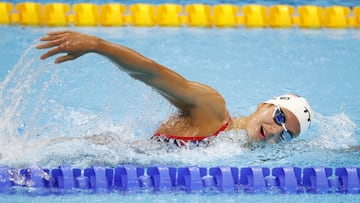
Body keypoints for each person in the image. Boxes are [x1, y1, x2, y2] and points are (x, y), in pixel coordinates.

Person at [36, 30, 313, 147]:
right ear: (264, 106)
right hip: (94, 155)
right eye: (279, 117)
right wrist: (98, 46)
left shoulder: (241, 150)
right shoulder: (212, 109)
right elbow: (152, 73)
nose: (277, 130)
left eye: (287, 134)